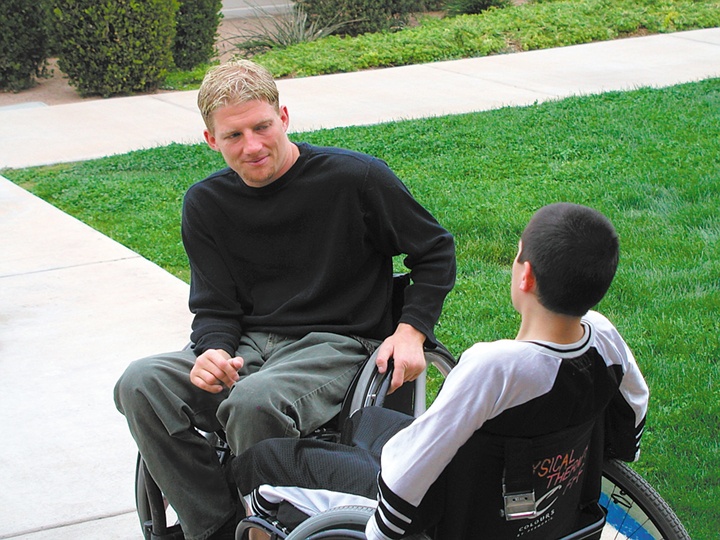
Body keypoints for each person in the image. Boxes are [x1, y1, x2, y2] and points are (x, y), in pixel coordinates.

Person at [113, 60, 456, 540]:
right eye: (233, 136)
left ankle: (266, 527)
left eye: (262, 127)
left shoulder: (355, 179)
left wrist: (411, 330)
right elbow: (215, 306)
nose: (252, 146)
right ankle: (216, 527)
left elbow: (435, 250)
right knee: (140, 383)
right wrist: (212, 349)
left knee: (254, 402)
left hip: (338, 342)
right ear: (211, 140)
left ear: (284, 117)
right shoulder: (206, 204)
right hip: (249, 346)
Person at [234, 202, 650, 540]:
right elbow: (633, 408)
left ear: (525, 275)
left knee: (263, 464)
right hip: (543, 509)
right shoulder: (603, 337)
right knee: (370, 421)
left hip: (439, 512)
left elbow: (411, 473)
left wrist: (380, 532)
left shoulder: (495, 368)